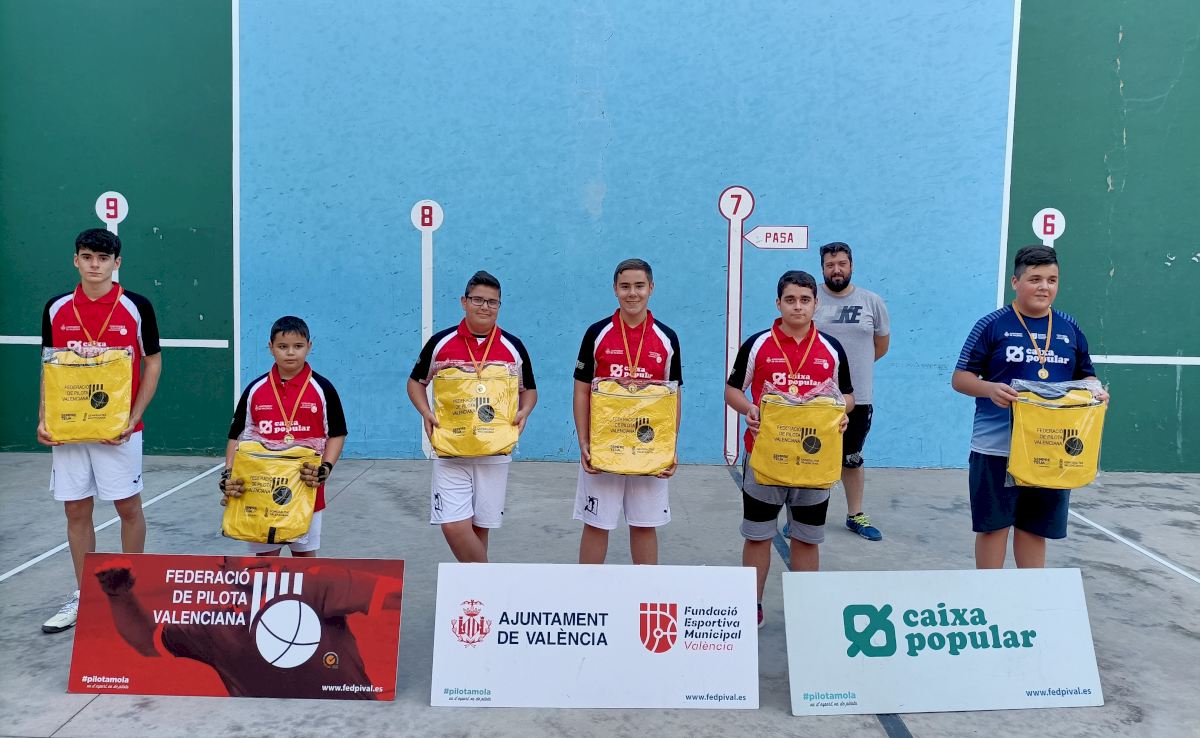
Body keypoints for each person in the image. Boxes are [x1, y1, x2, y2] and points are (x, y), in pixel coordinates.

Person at [952, 245, 1108, 569]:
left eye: (1052, 280)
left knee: (1034, 530)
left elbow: (1087, 376)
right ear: (1015, 282)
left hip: (1049, 448)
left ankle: (1031, 595)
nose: (1044, 287)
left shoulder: (1069, 327)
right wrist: (989, 389)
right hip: (996, 448)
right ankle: (989, 592)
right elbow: (960, 378)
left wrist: (1096, 391)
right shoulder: (992, 325)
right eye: (1035, 279)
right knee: (994, 528)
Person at [39, 228, 162, 633]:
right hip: (70, 430)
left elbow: (153, 363)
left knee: (127, 506)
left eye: (103, 258)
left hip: (119, 431)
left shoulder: (137, 307)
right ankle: (85, 595)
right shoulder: (56, 308)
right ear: (76, 260)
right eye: (88, 257)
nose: (95, 265)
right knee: (76, 509)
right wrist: (44, 417)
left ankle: (132, 592)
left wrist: (133, 417)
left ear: (116, 263)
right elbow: (50, 365)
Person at [725, 270, 852, 626]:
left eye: (805, 300)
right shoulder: (757, 345)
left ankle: (805, 611)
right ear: (778, 303)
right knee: (758, 536)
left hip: (813, 460)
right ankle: (751, 605)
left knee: (807, 538)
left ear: (816, 304)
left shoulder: (831, 348)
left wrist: (840, 413)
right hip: (765, 458)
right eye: (790, 300)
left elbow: (848, 396)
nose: (798, 306)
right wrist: (749, 409)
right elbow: (732, 390)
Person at [92, 558, 400, 699]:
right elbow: (147, 641)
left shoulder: (316, 583)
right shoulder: (213, 625)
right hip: (263, 725)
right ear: (224, 566)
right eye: (245, 551)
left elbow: (395, 594)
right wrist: (119, 596)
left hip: (349, 719)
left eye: (263, 550)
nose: (255, 557)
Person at [407, 271, 537, 563]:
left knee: (480, 527)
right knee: (453, 524)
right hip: (451, 450)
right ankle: (490, 580)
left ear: (499, 305)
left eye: (492, 302)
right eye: (478, 300)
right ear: (464, 302)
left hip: (494, 451)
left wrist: (524, 411)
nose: (485, 307)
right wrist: (426, 412)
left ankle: (476, 589)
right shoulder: (440, 342)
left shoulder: (513, 346)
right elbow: (415, 382)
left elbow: (529, 390)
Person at [573, 258, 681, 565]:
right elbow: (581, 390)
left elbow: (674, 396)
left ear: (651, 288)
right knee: (596, 523)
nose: (632, 293)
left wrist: (670, 446)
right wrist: (584, 441)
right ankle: (586, 591)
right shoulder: (597, 333)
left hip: (649, 446)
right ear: (615, 289)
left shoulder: (667, 338)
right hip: (605, 446)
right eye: (625, 286)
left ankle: (645, 591)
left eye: (639, 286)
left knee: (645, 525)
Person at [221, 316, 347, 557]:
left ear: (309, 346)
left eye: (298, 346)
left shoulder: (323, 389)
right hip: (259, 487)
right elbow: (236, 436)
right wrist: (228, 474)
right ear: (270, 347)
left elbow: (337, 434)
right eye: (282, 346)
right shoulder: (255, 389)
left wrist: (326, 468)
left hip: (305, 485)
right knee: (265, 560)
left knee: (304, 558)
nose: (290, 353)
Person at [813, 242, 890, 541]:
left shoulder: (872, 302)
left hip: (858, 398)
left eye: (842, 264)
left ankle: (855, 515)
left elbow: (880, 347)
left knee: (852, 458)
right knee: (809, 456)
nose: (836, 270)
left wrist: (853, 372)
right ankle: (804, 518)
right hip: (813, 399)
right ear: (823, 268)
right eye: (830, 265)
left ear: (851, 265)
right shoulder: (811, 299)